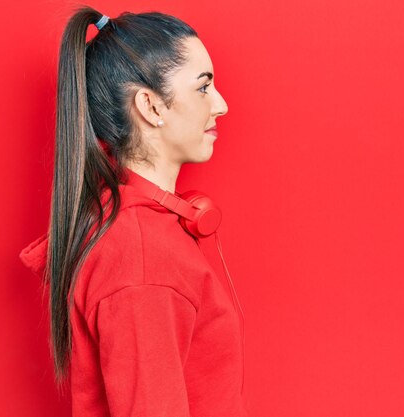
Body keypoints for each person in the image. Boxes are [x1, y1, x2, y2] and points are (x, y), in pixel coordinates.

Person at [19, 6, 248, 416]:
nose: (221, 104)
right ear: (151, 106)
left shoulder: (132, 228)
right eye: (203, 87)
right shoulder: (143, 259)